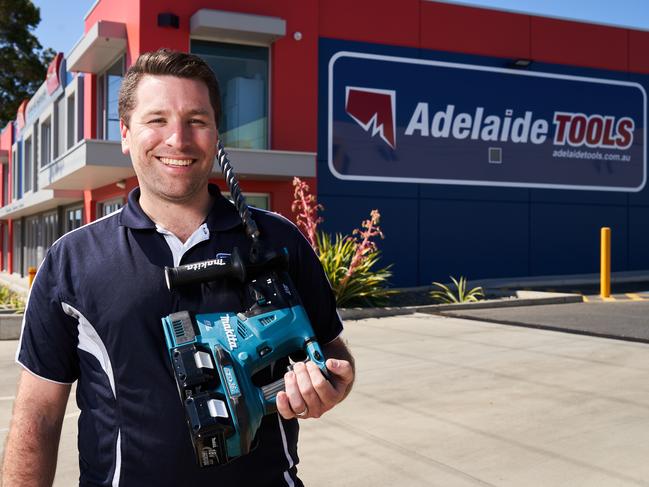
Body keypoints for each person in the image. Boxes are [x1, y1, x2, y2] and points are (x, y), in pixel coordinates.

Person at [1, 49, 354, 487]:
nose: (178, 139)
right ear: (126, 135)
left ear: (216, 134)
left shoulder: (278, 240)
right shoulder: (72, 260)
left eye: (197, 121)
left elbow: (336, 356)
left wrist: (327, 387)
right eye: (157, 120)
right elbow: (38, 413)